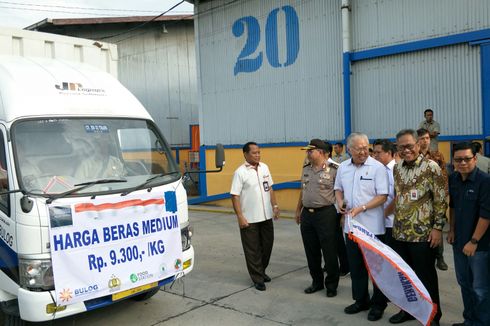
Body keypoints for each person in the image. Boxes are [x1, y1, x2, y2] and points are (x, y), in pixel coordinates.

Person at [390, 129, 447, 325]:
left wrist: (438, 228)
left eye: (409, 146)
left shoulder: (431, 167)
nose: (406, 150)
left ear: (418, 144)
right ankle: (407, 311)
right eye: (401, 147)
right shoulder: (396, 169)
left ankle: (433, 316)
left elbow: (440, 200)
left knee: (426, 278)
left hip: (423, 235)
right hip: (400, 234)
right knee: (405, 278)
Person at [334, 132, 389, 322]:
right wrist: (340, 203)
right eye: (359, 148)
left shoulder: (377, 168)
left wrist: (362, 208)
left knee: (376, 269)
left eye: (366, 147)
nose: (364, 151)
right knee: (356, 267)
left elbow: (382, 196)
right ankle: (360, 300)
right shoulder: (343, 168)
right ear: (349, 149)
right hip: (351, 228)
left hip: (372, 229)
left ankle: (378, 304)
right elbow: (338, 189)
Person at [447, 142, 490, 326]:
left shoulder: (485, 181)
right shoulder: (454, 179)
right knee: (464, 284)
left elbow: (486, 215)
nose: (463, 163)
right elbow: (453, 207)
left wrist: (474, 241)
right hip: (459, 242)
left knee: (480, 288)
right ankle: (469, 320)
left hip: (478, 246)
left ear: (475, 158)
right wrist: (451, 230)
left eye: (467, 159)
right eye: (458, 159)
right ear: (453, 161)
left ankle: (482, 322)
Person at [230, 142, 280, 291]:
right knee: (252, 250)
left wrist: (275, 206)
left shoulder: (264, 167)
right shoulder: (240, 172)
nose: (258, 155)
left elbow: (270, 188)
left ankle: (261, 270)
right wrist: (240, 216)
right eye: (254, 153)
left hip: (266, 216)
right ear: (245, 154)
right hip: (249, 219)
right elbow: (235, 195)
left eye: (259, 152)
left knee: (267, 246)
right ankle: (257, 278)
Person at [295, 139, 339, 297]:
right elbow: (303, 190)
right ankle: (317, 282)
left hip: (326, 214)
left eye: (310, 151)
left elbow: (341, 194)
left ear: (320, 152)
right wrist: (298, 210)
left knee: (329, 252)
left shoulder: (335, 170)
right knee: (311, 251)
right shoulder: (306, 168)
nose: (307, 153)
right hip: (307, 214)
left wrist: (340, 216)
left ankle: (332, 285)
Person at [417, 128, 449, 271]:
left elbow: (444, 178)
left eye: (427, 138)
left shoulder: (437, 156)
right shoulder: (413, 156)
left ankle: (439, 257)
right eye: (422, 138)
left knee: (437, 226)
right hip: (418, 200)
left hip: (435, 198)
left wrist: (444, 196)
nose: (425, 141)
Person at [372, 139, 396, 247]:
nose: (375, 155)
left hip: (391, 223)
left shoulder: (397, 171)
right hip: (375, 223)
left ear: (389, 153)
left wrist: (384, 214)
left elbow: (398, 198)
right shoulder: (374, 170)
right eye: (374, 152)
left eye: (378, 152)